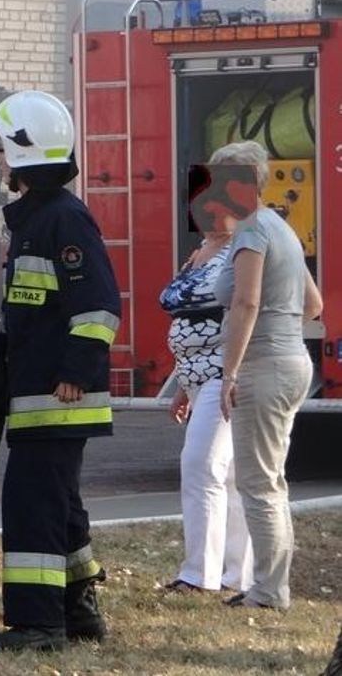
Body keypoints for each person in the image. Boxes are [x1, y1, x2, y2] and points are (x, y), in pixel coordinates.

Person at [0, 91, 121, 653]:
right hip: (38, 390)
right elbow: (39, 312)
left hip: (59, 395)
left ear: (25, 152)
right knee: (59, 502)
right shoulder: (38, 219)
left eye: (0, 150)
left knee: (33, 506)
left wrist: (75, 373)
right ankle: (79, 606)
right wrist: (3, 364)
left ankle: (38, 624)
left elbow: (100, 305)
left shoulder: (62, 218)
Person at [212, 140, 322, 611]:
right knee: (270, 480)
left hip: (264, 365)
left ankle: (269, 592)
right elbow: (314, 305)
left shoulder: (252, 231)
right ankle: (271, 587)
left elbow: (246, 301)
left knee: (258, 484)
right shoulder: (282, 227)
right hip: (292, 358)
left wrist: (231, 372)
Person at [160, 174, 253, 594]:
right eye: (202, 208)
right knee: (227, 476)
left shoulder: (241, 252)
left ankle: (199, 575)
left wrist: (230, 372)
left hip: (224, 374)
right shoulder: (199, 252)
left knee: (201, 467)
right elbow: (185, 319)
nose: (209, 216)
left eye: (218, 208)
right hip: (197, 377)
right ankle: (237, 575)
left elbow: (242, 310)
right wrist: (182, 383)